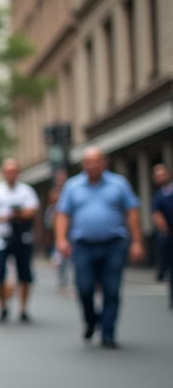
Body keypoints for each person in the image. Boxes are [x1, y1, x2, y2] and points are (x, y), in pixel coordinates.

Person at [55, 147, 144, 347]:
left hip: (114, 244)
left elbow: (131, 211)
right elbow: (62, 214)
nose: (93, 165)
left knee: (112, 290)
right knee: (84, 288)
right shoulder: (73, 186)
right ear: (83, 165)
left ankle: (108, 332)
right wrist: (61, 239)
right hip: (84, 245)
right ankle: (91, 320)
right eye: (88, 161)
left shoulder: (119, 184)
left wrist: (137, 241)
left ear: (104, 162)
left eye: (97, 161)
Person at [0, 159, 40, 322]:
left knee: (25, 275)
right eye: (8, 171)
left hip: (22, 238)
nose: (11, 174)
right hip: (0, 239)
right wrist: (5, 216)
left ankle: (23, 309)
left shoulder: (26, 191)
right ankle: (3, 306)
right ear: (3, 173)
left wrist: (18, 215)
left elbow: (32, 210)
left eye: (14, 171)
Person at [150, 163, 173, 308]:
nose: (160, 177)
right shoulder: (158, 197)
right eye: (157, 175)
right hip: (169, 236)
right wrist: (164, 228)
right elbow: (156, 214)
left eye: (162, 174)